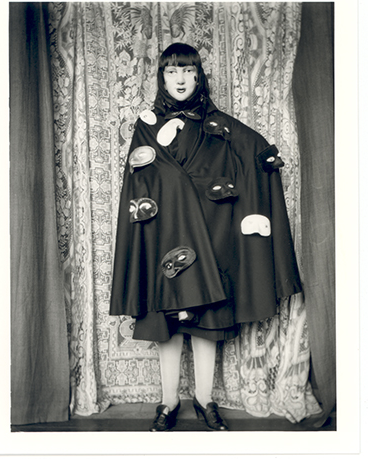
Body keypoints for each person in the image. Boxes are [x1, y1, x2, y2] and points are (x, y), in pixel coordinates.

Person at [109, 42, 302, 431]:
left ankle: (204, 400)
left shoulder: (220, 125)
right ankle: (167, 403)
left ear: (198, 76)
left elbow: (255, 150)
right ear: (161, 77)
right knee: (165, 323)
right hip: (164, 237)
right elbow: (143, 180)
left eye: (187, 70)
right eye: (171, 71)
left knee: (206, 323)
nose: (180, 78)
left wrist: (265, 158)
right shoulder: (146, 125)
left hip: (211, 235)